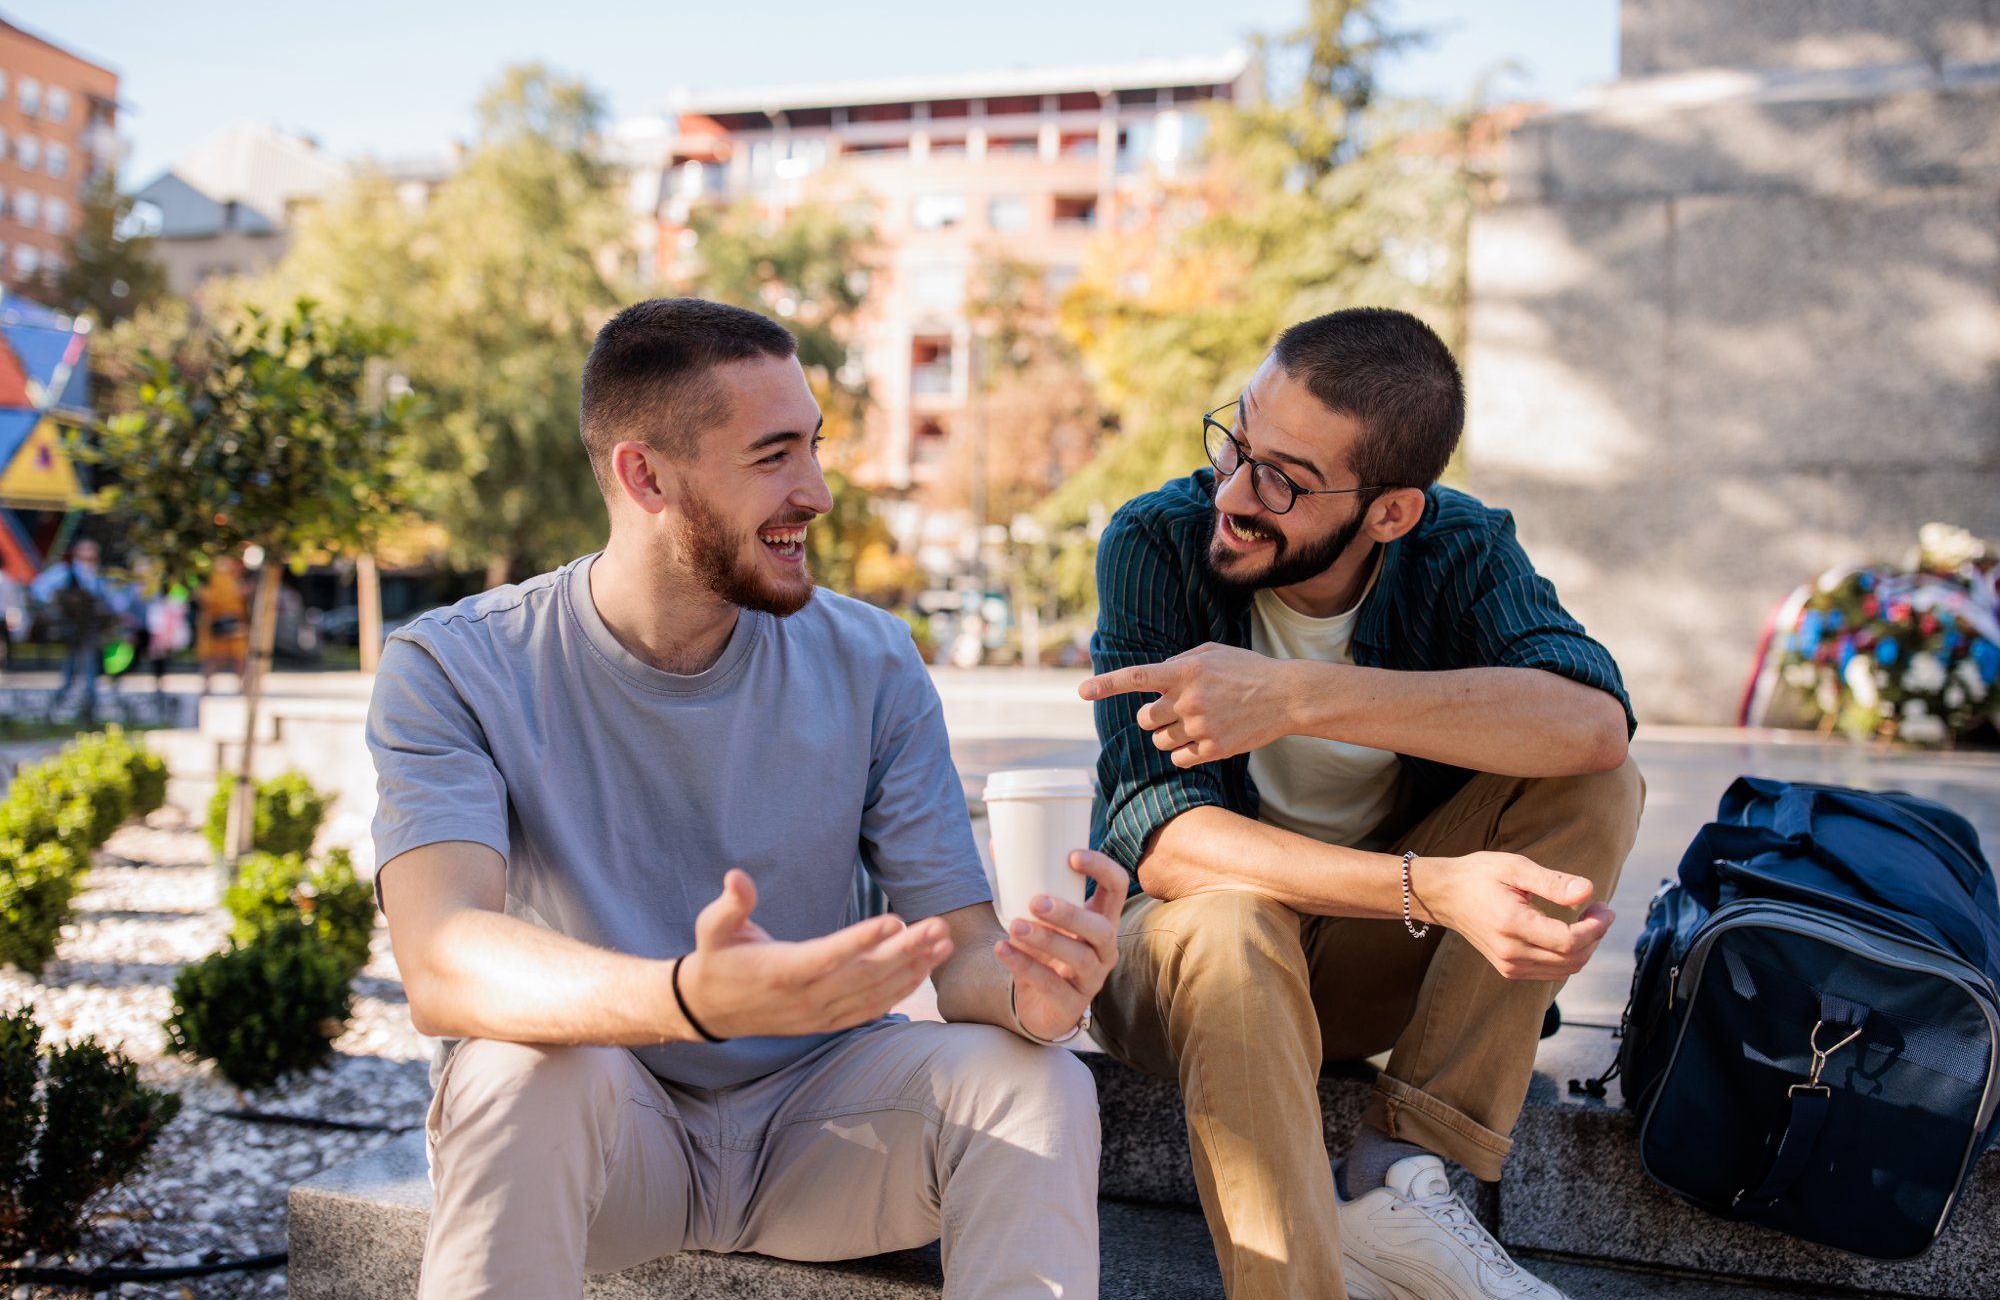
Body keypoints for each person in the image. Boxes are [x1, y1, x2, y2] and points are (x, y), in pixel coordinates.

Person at [367, 297, 1125, 1300]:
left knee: (1041, 1084)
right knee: (514, 1075)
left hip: (828, 1128)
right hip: (605, 1132)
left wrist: (1034, 989)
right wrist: (686, 998)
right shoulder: (455, 664)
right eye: (772, 456)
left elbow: (962, 945)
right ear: (645, 474)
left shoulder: (872, 658)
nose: (813, 490)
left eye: (812, 447)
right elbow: (442, 959)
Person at [1077, 308, 1645, 1300]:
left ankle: (1403, 1172)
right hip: (1171, 968)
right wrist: (1429, 887)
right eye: (1237, 441)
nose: (1234, 492)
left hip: (1362, 963)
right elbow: (1166, 845)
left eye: (1284, 480)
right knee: (1227, 916)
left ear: (1390, 512)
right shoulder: (1155, 541)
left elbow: (1590, 726)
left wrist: (1296, 693)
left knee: (1591, 780)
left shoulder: (1457, 550)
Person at [29, 539, 113, 713]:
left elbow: (110, 601)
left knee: (85, 665)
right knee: (77, 666)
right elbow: (39, 589)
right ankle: (72, 704)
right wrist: (56, 609)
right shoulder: (66, 572)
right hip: (73, 627)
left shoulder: (99, 576)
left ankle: (85, 705)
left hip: (90, 628)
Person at [196, 557, 249, 694]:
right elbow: (206, 597)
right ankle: (207, 685)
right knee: (214, 657)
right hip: (218, 622)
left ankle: (241, 685)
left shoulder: (237, 578)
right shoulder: (218, 576)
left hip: (236, 622)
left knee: (240, 656)